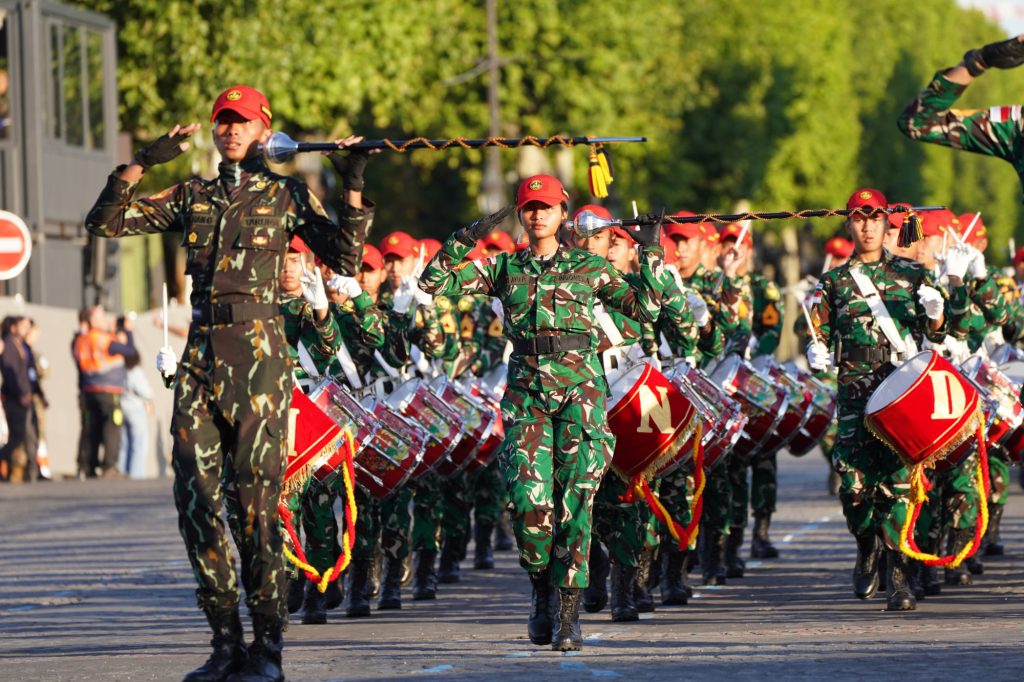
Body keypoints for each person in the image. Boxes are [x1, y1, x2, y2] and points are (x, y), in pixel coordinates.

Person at [84, 85, 371, 682]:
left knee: (257, 511)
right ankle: (224, 641)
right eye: (223, 121)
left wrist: (352, 185)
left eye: (242, 121)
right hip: (199, 356)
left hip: (260, 360)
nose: (231, 130)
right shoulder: (193, 195)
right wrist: (143, 160)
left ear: (264, 128)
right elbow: (105, 222)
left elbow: (344, 259)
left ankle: (267, 647)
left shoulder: (288, 194)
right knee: (193, 502)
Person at [419, 174, 663, 651]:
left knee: (576, 502)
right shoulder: (504, 268)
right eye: (529, 207)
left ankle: (569, 614)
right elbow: (433, 282)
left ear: (562, 214)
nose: (537, 214)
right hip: (527, 397)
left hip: (580, 397)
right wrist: (464, 238)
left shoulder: (589, 267)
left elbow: (646, 309)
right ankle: (540, 592)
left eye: (546, 207)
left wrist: (650, 250)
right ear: (521, 213)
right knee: (530, 505)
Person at [807, 188, 966, 612]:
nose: (867, 225)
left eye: (874, 217)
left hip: (898, 390)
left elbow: (937, 338)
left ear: (886, 223)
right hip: (855, 393)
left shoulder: (912, 277)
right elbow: (819, 333)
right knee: (854, 489)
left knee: (898, 487)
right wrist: (815, 350)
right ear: (849, 223)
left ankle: (899, 578)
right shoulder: (835, 281)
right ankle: (866, 547)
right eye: (859, 217)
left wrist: (935, 313)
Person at [72, 306, 137, 479]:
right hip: (109, 390)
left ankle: (89, 465)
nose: (106, 319)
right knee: (112, 427)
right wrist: (128, 332)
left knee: (92, 428)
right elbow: (130, 351)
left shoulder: (81, 340)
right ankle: (109, 466)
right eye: (101, 317)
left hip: (88, 390)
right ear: (93, 320)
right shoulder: (104, 340)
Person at [117, 317, 154, 480]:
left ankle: (123, 470)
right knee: (139, 444)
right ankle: (136, 475)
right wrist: (149, 401)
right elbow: (146, 391)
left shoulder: (119, 369)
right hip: (136, 409)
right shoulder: (135, 372)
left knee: (125, 443)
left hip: (123, 406)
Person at [0, 317, 35, 482]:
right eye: (23, 326)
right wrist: (21, 393)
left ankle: (11, 470)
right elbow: (12, 374)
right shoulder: (10, 345)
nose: (27, 329)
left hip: (20, 395)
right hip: (15, 397)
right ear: (13, 328)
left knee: (19, 434)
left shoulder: (19, 345)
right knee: (18, 434)